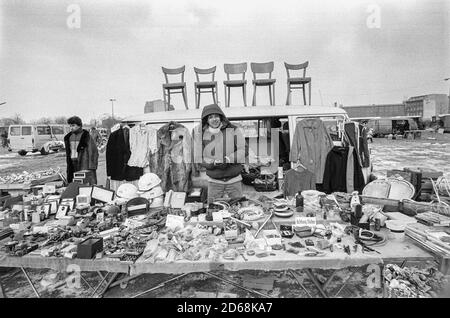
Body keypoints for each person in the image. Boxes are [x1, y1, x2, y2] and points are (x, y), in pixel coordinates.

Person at [198, 104, 248, 204]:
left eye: (216, 116)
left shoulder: (233, 129)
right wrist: (212, 163)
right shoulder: (201, 134)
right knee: (214, 211)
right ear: (206, 120)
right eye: (210, 117)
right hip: (214, 182)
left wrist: (229, 159)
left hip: (234, 181)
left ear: (221, 117)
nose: (214, 119)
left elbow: (243, 149)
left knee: (239, 209)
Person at [64, 116, 99, 184]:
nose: (71, 127)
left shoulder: (86, 136)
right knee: (74, 183)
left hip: (84, 163)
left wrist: (92, 167)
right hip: (72, 163)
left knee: (84, 183)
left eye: (73, 125)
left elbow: (93, 152)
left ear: (79, 125)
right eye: (70, 126)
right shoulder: (68, 137)